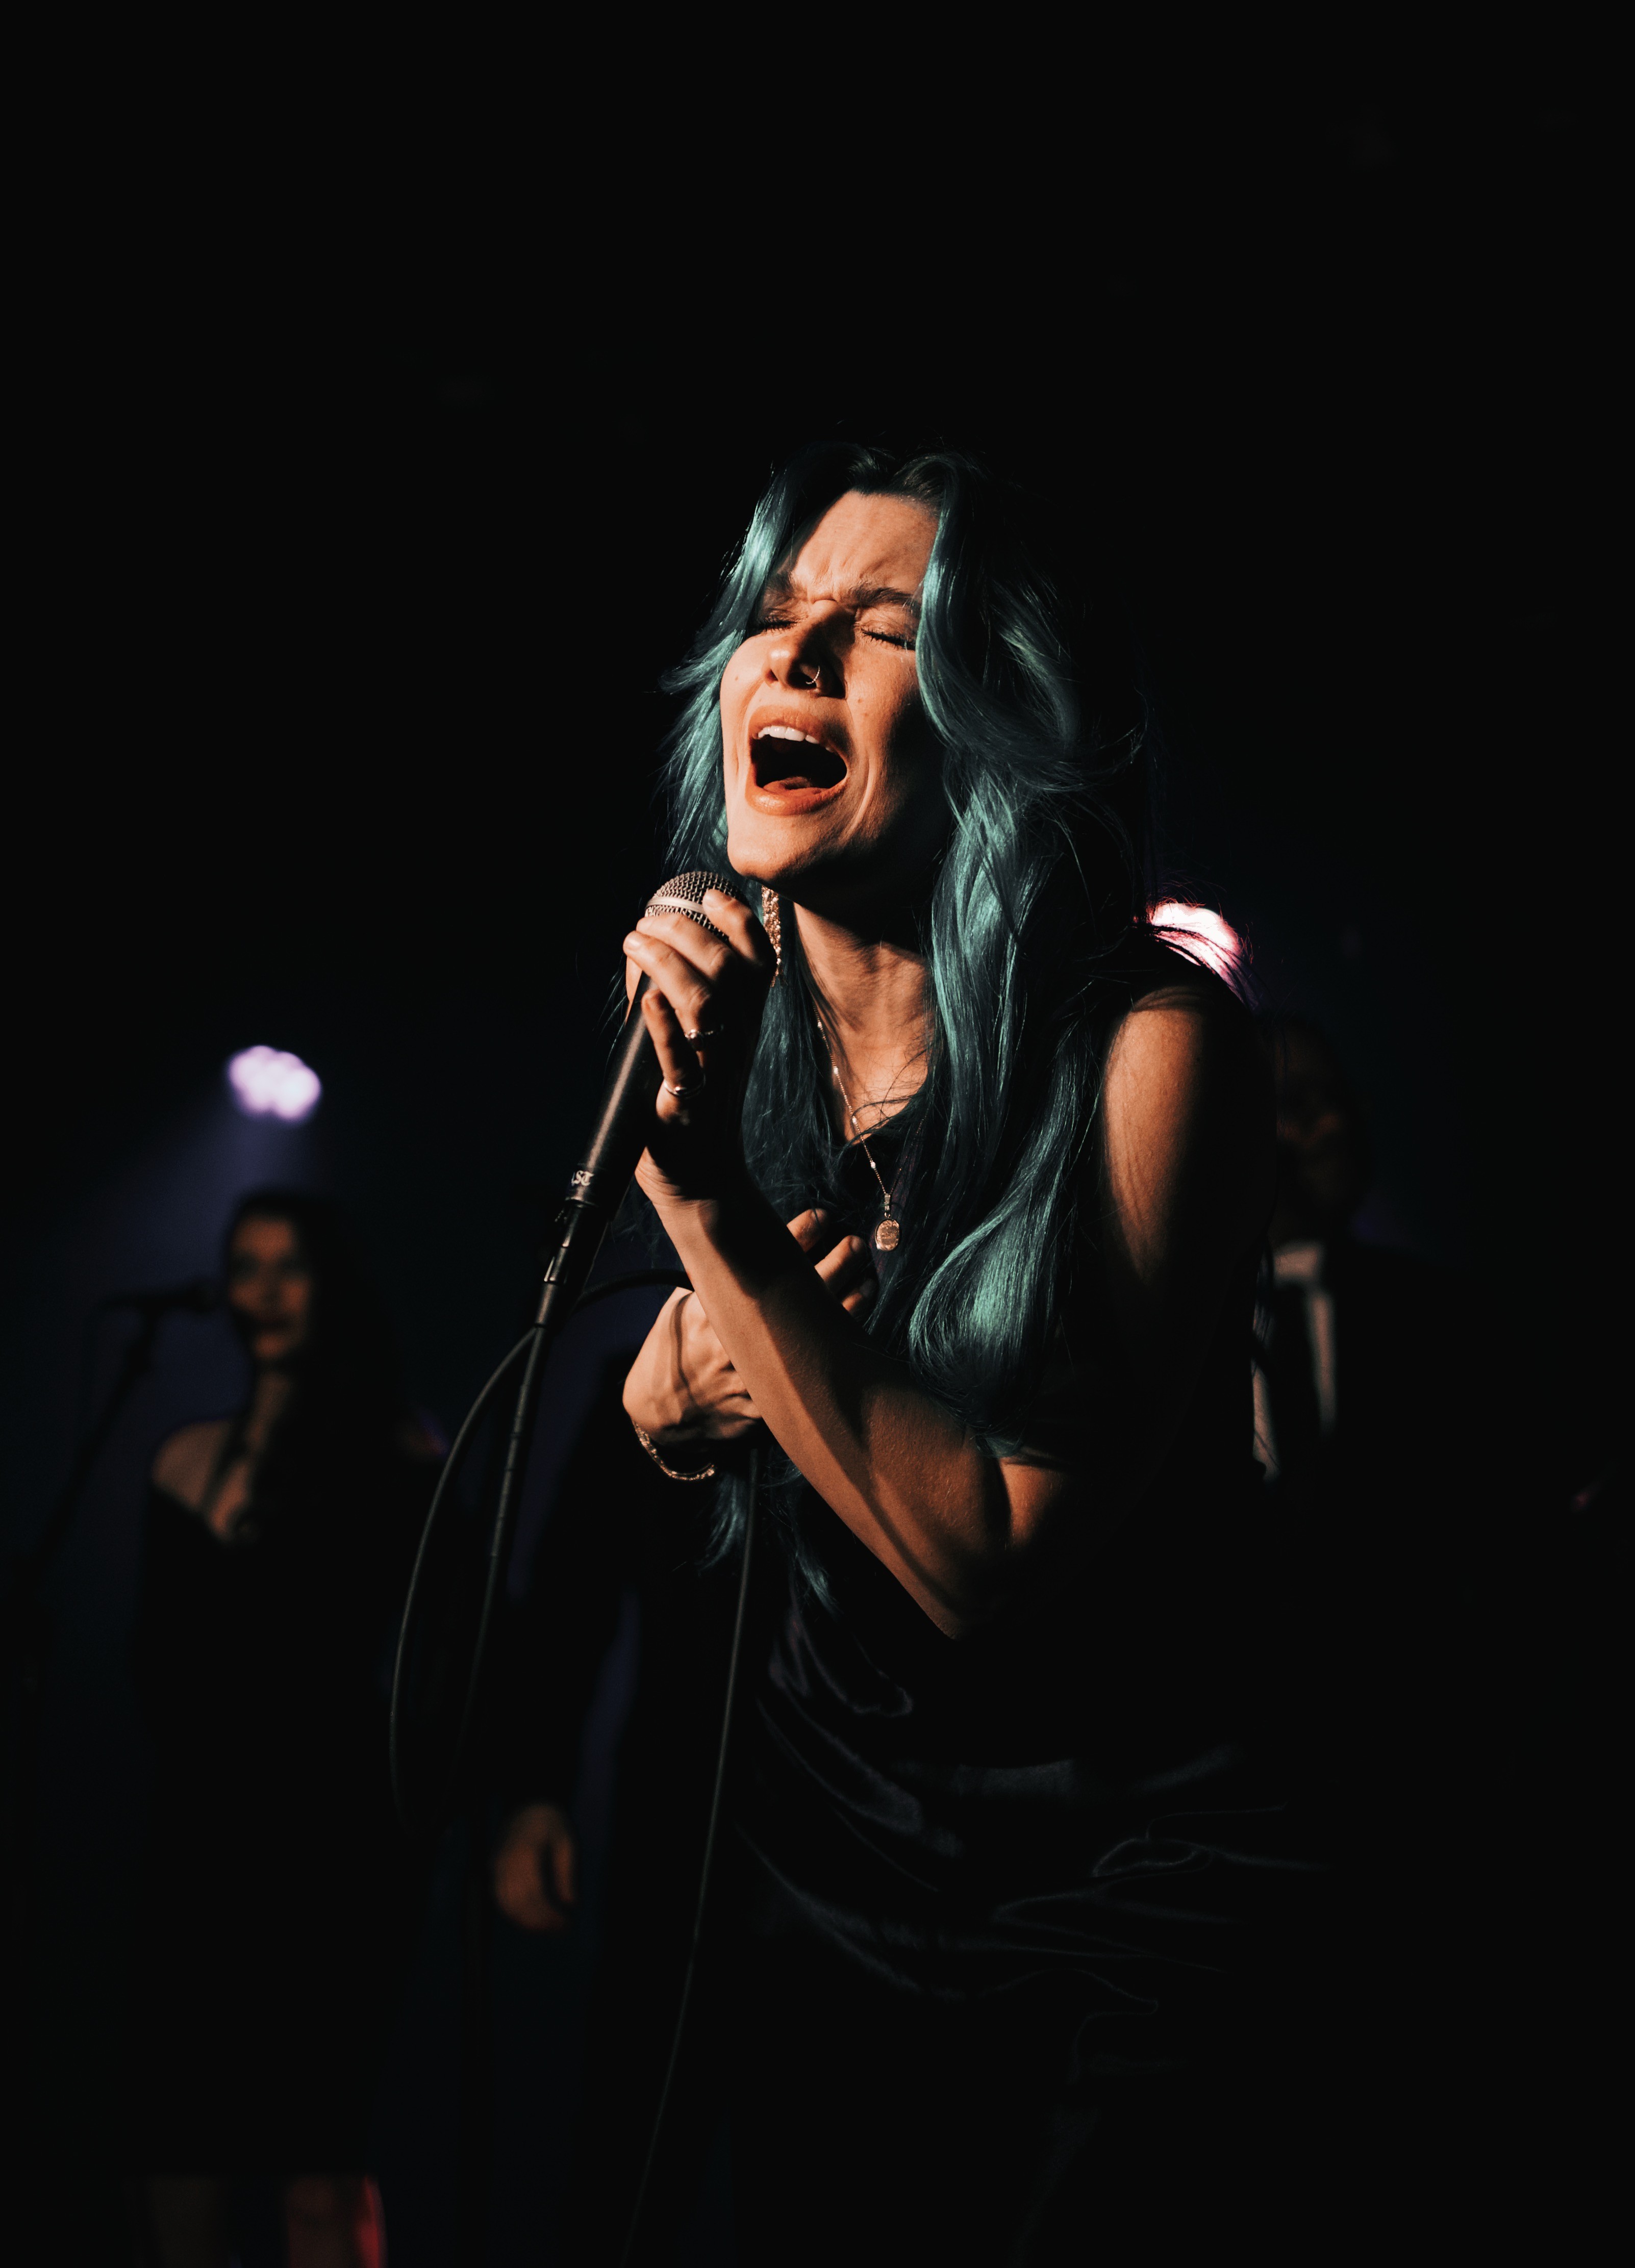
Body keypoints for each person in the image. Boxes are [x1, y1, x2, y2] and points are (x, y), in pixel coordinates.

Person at [535, 443, 1326, 2262]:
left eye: (876, 629)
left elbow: (983, 1551)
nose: (791, 662)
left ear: (992, 715)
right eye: (773, 617)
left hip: (1120, 1930)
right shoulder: (739, 1062)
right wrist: (661, 1419)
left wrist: (713, 1212)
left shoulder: (1149, 1044)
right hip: (820, 1905)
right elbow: (717, 1532)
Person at [125, 1190, 438, 2268]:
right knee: (182, 2157)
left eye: (286, 1266)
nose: (261, 1291)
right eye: (245, 1266)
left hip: (328, 1851)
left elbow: (444, 1663)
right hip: (194, 1847)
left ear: (328, 1283)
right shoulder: (179, 1463)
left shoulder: (395, 1456)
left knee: (319, 2164)